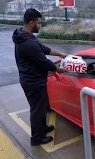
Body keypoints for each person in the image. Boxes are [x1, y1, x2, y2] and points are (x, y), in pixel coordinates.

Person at [12, 8, 67, 146]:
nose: (40, 26)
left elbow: (43, 49)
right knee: (37, 110)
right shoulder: (28, 43)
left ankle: (42, 128)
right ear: (31, 23)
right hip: (33, 82)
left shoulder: (25, 36)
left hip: (33, 80)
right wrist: (60, 69)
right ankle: (37, 138)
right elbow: (44, 62)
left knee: (41, 108)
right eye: (39, 23)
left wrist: (59, 54)